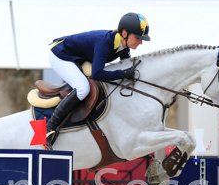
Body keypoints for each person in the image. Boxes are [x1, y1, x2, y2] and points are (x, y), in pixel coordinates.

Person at [45, 12, 150, 148]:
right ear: (124, 33)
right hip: (60, 55)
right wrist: (122, 73)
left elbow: (127, 67)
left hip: (79, 57)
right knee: (83, 88)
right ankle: (49, 128)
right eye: (138, 37)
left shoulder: (123, 46)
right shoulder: (105, 42)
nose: (141, 42)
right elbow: (97, 74)